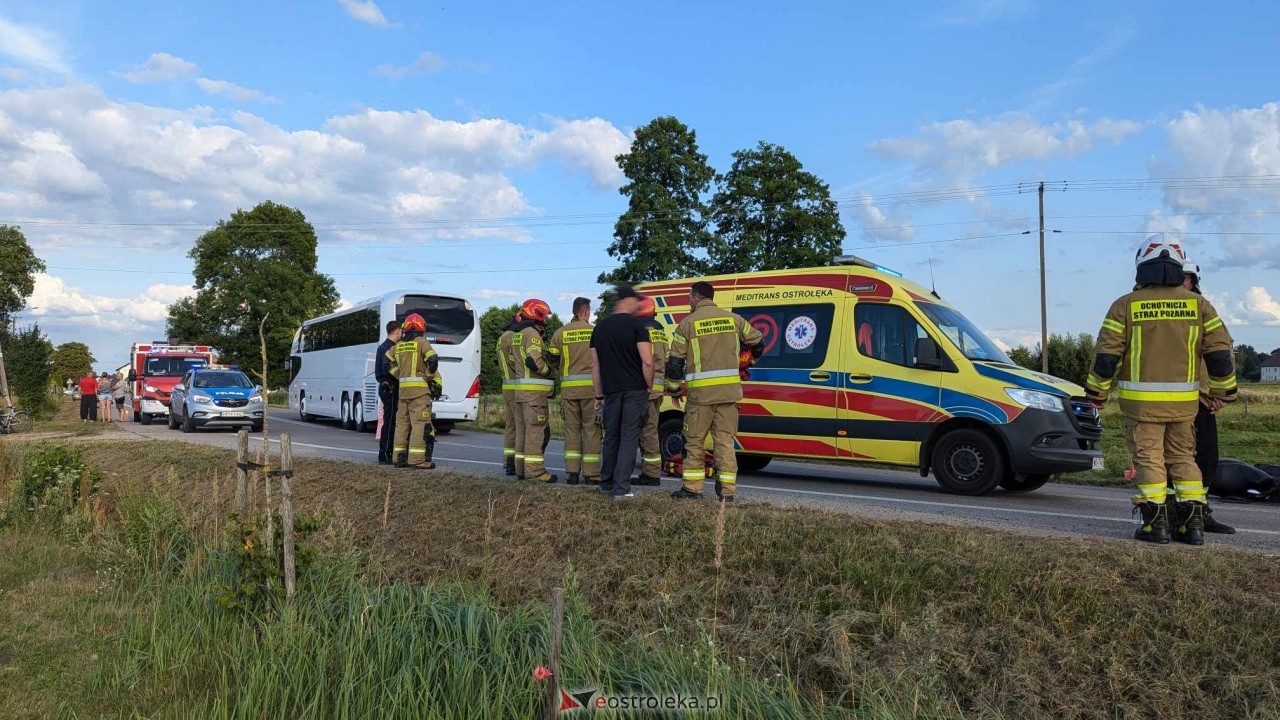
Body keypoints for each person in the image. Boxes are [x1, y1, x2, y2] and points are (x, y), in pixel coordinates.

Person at [1085, 237, 1237, 545]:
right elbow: (1220, 354)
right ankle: (1192, 527)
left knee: (1150, 459)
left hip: (1142, 407)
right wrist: (1223, 392)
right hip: (1185, 405)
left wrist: (1096, 393)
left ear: (1142, 267)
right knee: (1184, 458)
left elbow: (1106, 357)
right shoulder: (1200, 305)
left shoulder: (1125, 305)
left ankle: (1156, 526)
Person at [666, 281, 764, 502]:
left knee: (694, 442)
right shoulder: (734, 319)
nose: (688, 300)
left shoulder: (687, 324)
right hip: (728, 395)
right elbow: (758, 342)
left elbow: (674, 364)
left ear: (696, 297)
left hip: (700, 398)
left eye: (689, 296)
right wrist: (749, 362)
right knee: (724, 442)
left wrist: (673, 390)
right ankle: (727, 493)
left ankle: (692, 489)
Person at [1179, 259, 1235, 534]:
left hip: (1201, 399)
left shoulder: (1204, 311)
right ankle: (1171, 514)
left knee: (1206, 460)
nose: (1180, 283)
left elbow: (1222, 353)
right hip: (1174, 400)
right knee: (1172, 460)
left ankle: (1198, 513)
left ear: (1193, 281)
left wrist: (1219, 393)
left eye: (1185, 278)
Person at [589, 285, 653, 501]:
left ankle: (606, 484)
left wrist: (598, 395)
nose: (637, 304)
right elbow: (647, 361)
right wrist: (649, 386)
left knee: (611, 436)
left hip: (611, 390)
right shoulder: (638, 326)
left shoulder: (600, 328)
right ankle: (622, 489)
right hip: (635, 389)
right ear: (627, 300)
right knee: (629, 436)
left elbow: (594, 365)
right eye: (636, 301)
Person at [547, 297, 601, 485]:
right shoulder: (596, 332)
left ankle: (571, 473)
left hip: (569, 392)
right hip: (591, 392)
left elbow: (552, 359)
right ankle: (592, 474)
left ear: (574, 311)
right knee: (592, 431)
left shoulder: (560, 333)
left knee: (572, 431)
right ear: (585, 312)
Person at [507, 299, 558, 483]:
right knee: (536, 433)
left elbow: (513, 362)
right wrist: (550, 372)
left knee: (522, 433)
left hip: (520, 393)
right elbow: (536, 362)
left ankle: (521, 470)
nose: (546, 320)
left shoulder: (516, 335)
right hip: (534, 395)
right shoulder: (533, 335)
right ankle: (535, 472)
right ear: (538, 314)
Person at [387, 313, 442, 469]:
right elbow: (433, 360)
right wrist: (428, 376)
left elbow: (387, 361)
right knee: (420, 425)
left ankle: (399, 458)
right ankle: (417, 460)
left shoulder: (398, 346)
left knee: (402, 425)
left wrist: (399, 375)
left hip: (403, 393)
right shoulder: (421, 342)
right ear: (421, 328)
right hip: (419, 393)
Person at [634, 297, 668, 485]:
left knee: (646, 432)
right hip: (657, 389)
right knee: (651, 429)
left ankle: (651, 474)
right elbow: (668, 360)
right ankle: (651, 472)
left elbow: (641, 361)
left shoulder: (642, 332)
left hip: (644, 388)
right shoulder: (661, 332)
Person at [496, 312, 522, 476]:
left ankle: (509, 462)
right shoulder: (512, 337)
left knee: (511, 426)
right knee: (520, 426)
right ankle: (516, 463)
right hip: (516, 387)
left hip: (507, 386)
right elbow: (516, 360)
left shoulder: (501, 338)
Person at [375, 320, 402, 465]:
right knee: (390, 422)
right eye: (400, 331)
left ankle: (387, 452)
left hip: (385, 386)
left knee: (390, 421)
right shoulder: (391, 348)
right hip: (391, 387)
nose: (401, 334)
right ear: (397, 331)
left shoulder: (382, 347)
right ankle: (385, 454)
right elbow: (389, 370)